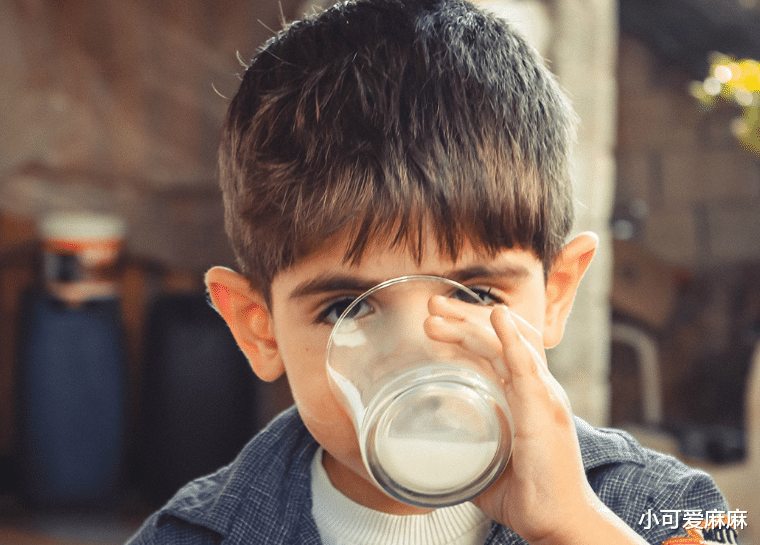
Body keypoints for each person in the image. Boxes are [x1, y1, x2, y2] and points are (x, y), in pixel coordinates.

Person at [126, 1, 730, 544]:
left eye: (473, 294)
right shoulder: (188, 535)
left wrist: (572, 530)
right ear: (260, 329)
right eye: (345, 307)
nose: (417, 351)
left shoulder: (672, 511)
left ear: (556, 294)